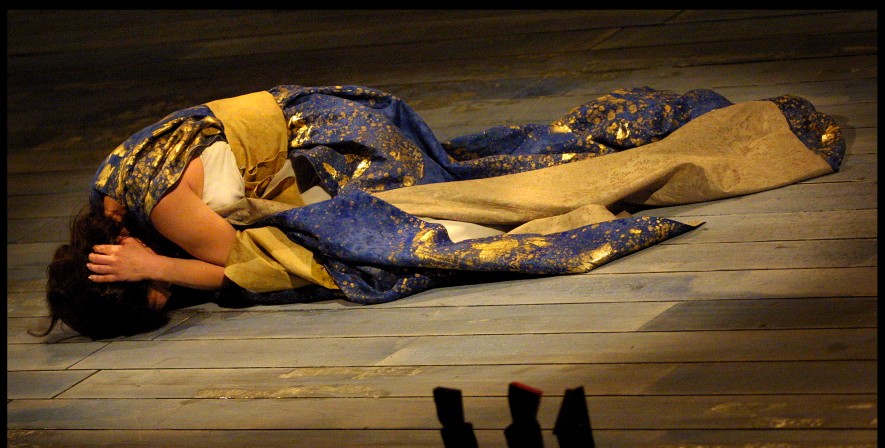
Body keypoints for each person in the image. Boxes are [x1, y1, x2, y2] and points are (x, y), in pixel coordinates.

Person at [36, 84, 845, 340]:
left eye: (152, 300)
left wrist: (158, 266)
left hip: (342, 141)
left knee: (373, 236)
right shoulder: (114, 190)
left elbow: (242, 266)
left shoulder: (161, 216)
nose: (166, 299)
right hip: (322, 129)